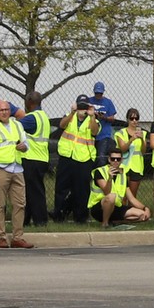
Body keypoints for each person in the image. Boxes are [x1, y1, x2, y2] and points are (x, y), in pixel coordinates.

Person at [0, 97, 35, 248]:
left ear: (10, 111)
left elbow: (25, 142)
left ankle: (18, 237)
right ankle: (1, 237)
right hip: (0, 169)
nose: (4, 112)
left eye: (6, 110)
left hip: (17, 168)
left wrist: (24, 147)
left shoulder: (17, 125)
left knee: (20, 204)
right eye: (1, 110)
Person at [54, 95, 101, 223]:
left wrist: (92, 115)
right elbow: (62, 125)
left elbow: (95, 132)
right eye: (80, 106)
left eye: (84, 106)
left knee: (82, 190)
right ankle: (58, 215)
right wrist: (72, 112)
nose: (82, 109)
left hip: (84, 159)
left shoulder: (93, 120)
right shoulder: (70, 116)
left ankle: (80, 217)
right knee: (61, 187)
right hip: (67, 156)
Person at [18, 91, 53, 227]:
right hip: (42, 158)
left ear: (30, 102)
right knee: (31, 191)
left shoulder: (32, 118)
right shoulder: (43, 116)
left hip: (31, 158)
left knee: (34, 192)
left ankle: (40, 220)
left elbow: (14, 127)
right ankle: (26, 220)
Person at [89, 148, 150, 226]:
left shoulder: (123, 175)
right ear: (109, 159)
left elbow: (131, 198)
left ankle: (118, 222)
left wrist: (145, 208)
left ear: (121, 160)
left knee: (142, 215)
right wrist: (110, 178)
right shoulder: (100, 171)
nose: (115, 161)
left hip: (116, 207)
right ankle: (105, 223)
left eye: (118, 159)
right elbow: (107, 192)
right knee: (111, 197)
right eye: (113, 159)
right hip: (99, 208)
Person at [115, 109, 149, 203]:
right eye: (132, 118)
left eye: (136, 118)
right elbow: (122, 149)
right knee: (122, 196)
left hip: (136, 167)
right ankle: (121, 215)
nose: (134, 120)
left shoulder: (143, 133)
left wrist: (142, 140)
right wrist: (131, 140)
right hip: (123, 167)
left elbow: (143, 151)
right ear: (127, 119)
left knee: (132, 197)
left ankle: (130, 215)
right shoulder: (120, 133)